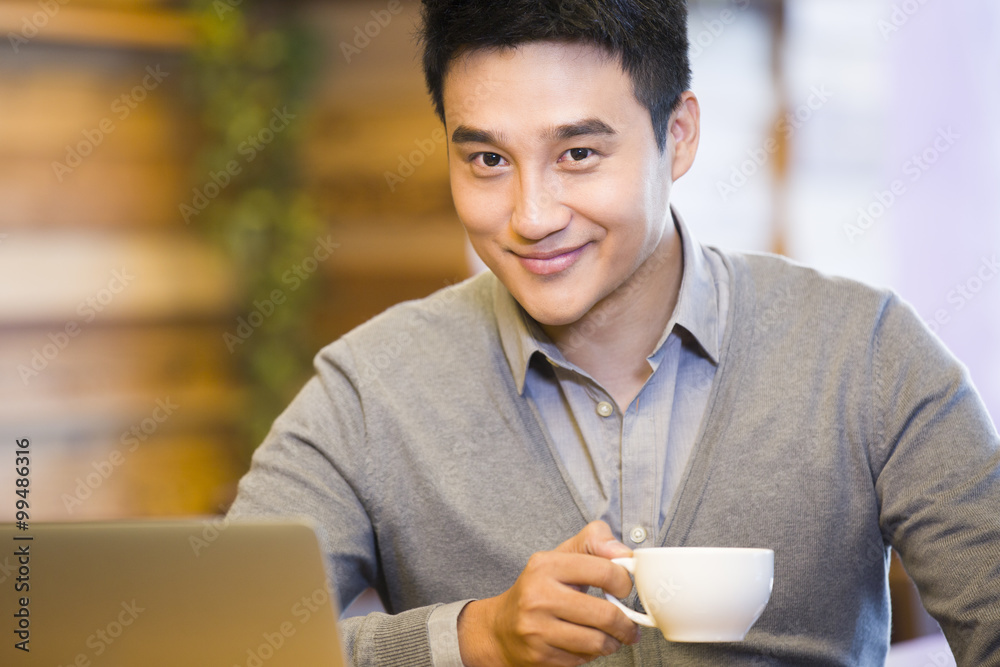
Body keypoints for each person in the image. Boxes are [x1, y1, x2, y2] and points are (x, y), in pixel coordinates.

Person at [228, 1, 1000, 665]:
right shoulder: (372, 388)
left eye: (580, 153)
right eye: (489, 159)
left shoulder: (866, 353)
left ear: (681, 134)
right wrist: (472, 638)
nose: (532, 216)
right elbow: (210, 642)